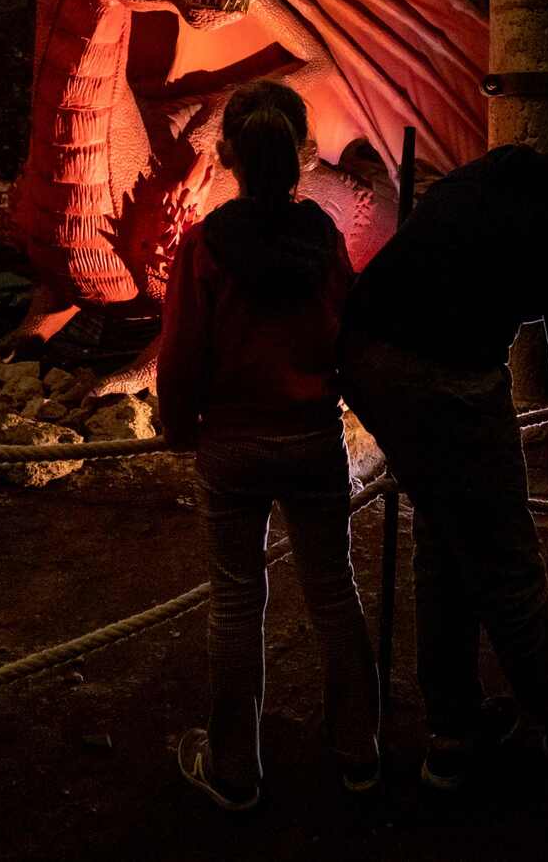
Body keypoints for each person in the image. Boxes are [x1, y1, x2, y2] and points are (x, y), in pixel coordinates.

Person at [339, 131, 548, 789]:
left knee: (445, 538)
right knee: (504, 556)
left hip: (367, 348)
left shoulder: (507, 168)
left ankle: (454, 726)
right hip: (445, 374)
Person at [159, 80, 379, 811]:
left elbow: (184, 349)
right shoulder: (321, 236)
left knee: (234, 603)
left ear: (232, 159)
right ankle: (358, 750)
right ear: (296, 157)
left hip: (232, 444)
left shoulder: (205, 246)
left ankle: (235, 768)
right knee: (333, 592)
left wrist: (175, 422)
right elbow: (346, 326)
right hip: (311, 436)